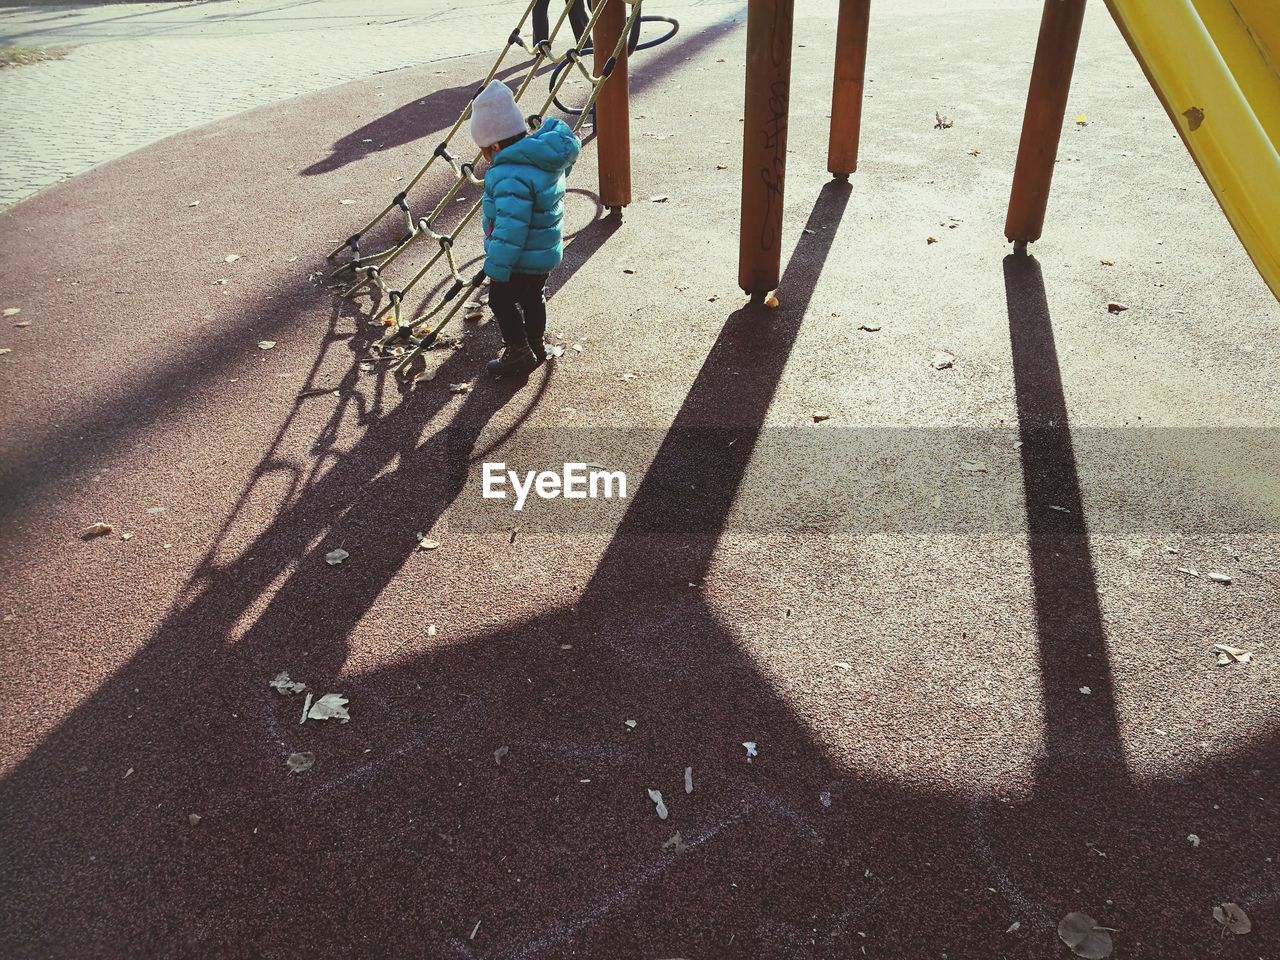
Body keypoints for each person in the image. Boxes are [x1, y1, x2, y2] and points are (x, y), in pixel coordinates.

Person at [469, 79, 581, 378]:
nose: (485, 157)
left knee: (500, 300)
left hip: (518, 256)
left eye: (484, 150)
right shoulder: (541, 159)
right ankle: (535, 344)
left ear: (494, 145)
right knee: (533, 297)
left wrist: (497, 265)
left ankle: (518, 352)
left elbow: (510, 227)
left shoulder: (508, 174)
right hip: (543, 251)